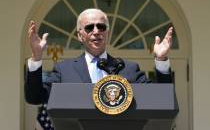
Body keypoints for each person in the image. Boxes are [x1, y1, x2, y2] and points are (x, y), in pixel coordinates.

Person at [25, 8, 173, 105]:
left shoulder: (128, 69)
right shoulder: (64, 70)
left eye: (101, 27)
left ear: (107, 33)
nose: (96, 31)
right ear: (79, 35)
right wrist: (37, 57)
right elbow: (34, 98)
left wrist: (161, 60)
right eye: (89, 27)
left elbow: (162, 99)